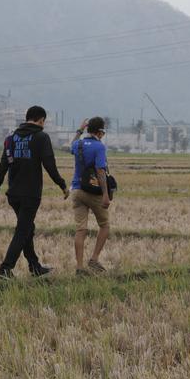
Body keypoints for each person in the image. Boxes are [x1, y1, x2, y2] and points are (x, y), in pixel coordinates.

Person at [0, 105, 67, 278]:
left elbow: (3, 165)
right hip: (30, 194)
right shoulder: (41, 137)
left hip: (13, 194)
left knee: (27, 228)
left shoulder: (11, 138)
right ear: (41, 120)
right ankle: (5, 268)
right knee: (23, 231)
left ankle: (34, 266)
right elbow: (49, 164)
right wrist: (62, 184)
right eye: (44, 122)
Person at [69, 117, 112, 275]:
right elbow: (100, 171)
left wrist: (79, 130)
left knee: (81, 229)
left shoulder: (78, 144)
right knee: (105, 225)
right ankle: (94, 259)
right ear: (100, 132)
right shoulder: (99, 147)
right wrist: (105, 194)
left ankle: (80, 267)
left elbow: (71, 146)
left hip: (76, 190)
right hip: (92, 192)